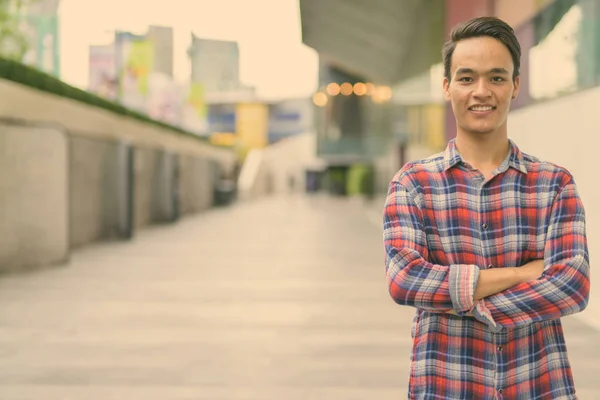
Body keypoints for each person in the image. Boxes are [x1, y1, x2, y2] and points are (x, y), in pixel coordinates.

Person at [383, 16, 590, 399]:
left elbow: (571, 285)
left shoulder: (553, 185)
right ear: (447, 87)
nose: (481, 91)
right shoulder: (413, 185)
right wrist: (521, 273)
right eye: (466, 78)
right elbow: (404, 280)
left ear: (515, 87)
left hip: (537, 385)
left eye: (496, 78)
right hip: (446, 387)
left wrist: (462, 301)